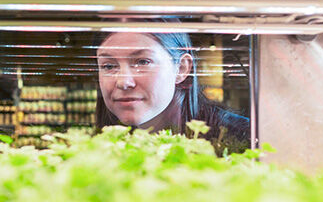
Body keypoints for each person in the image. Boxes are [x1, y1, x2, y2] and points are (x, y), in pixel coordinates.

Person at [94, 29, 249, 151]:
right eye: (109, 66)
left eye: (142, 62)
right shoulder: (100, 147)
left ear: (181, 68)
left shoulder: (242, 137)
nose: (123, 82)